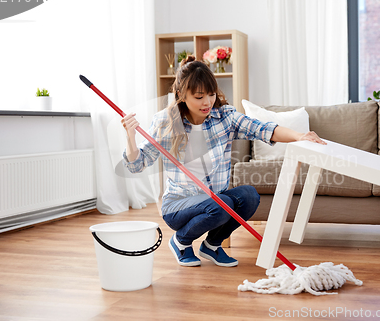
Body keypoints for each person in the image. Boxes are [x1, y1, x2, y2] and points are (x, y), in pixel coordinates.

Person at [122, 56, 326, 267]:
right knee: (221, 204)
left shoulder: (224, 118)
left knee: (249, 196)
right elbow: (137, 165)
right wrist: (130, 137)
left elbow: (263, 128)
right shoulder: (166, 122)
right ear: (182, 95)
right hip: (177, 205)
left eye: (211, 94)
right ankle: (181, 242)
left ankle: (211, 246)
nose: (207, 102)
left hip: (214, 199)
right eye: (199, 96)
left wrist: (299, 136)